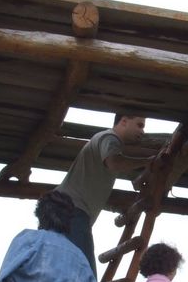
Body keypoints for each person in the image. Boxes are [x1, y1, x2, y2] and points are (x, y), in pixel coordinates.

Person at [53, 110, 157, 272]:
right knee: (84, 271)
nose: (142, 131)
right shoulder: (110, 138)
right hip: (72, 210)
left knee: (60, 265)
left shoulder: (102, 141)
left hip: (61, 209)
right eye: (139, 125)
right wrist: (147, 161)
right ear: (124, 121)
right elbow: (114, 162)